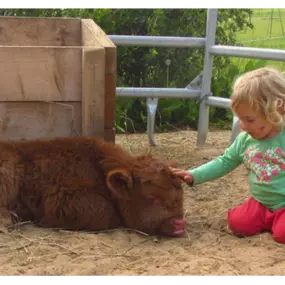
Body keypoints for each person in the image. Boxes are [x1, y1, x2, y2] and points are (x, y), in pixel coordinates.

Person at [169, 66, 285, 244]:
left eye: (250, 120)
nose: (243, 126)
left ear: (276, 111)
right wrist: (194, 175)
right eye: (240, 119)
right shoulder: (245, 141)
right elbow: (224, 162)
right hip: (261, 203)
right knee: (237, 224)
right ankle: (271, 221)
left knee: (281, 235)